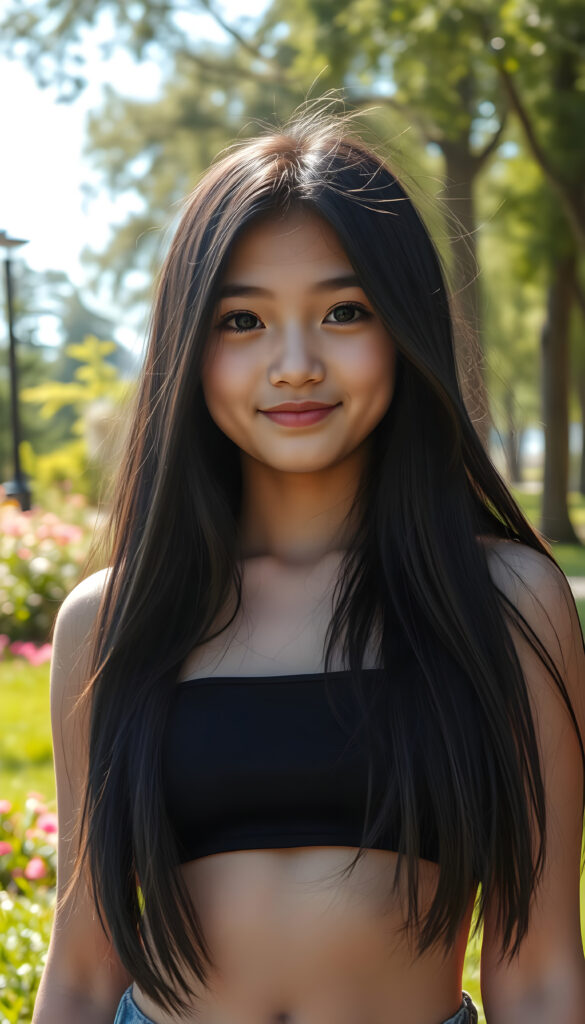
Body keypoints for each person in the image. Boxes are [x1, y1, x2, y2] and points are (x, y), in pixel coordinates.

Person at [33, 107, 585, 1024]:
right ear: (188, 350)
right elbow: (86, 966)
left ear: (403, 331)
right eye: (242, 319)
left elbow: (536, 966)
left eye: (343, 311)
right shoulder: (112, 621)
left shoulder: (503, 604)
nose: (294, 364)